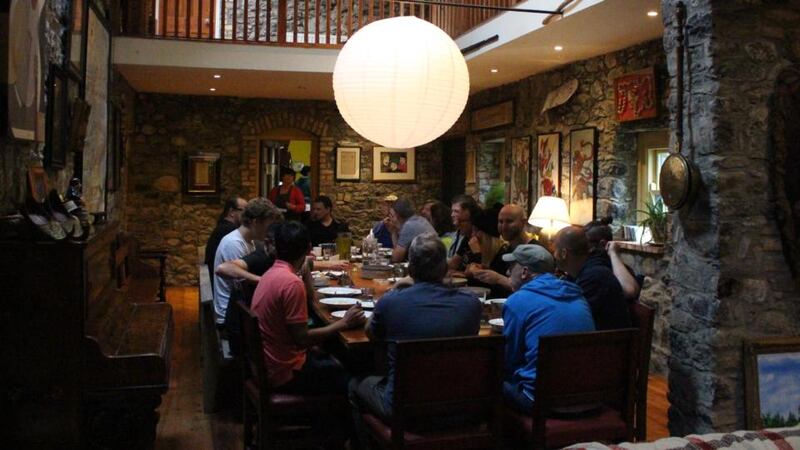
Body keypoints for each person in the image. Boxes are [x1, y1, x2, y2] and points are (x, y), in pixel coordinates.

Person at [349, 233, 482, 446]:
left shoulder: (391, 303)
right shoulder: (472, 304)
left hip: (405, 410)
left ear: (411, 268)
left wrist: (394, 290)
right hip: (462, 406)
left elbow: (370, 334)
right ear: (445, 268)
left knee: (355, 384)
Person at [250, 221, 366, 396]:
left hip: (269, 362)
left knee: (335, 353)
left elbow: (310, 301)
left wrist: (304, 273)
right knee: (349, 374)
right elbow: (302, 339)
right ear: (308, 249)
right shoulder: (291, 283)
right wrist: (344, 323)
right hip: (285, 371)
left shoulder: (272, 272)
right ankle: (331, 422)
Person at [502, 244, 595, 413]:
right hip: (588, 398)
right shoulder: (578, 295)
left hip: (541, 401)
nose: (508, 273)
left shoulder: (518, 300)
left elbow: (509, 359)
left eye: (511, 267)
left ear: (524, 272)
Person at [213, 198, 283, 326]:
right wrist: (265, 280)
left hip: (239, 310)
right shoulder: (234, 243)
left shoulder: (249, 241)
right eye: (268, 225)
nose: (269, 231)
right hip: (229, 317)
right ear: (255, 222)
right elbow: (241, 285)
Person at [553, 226, 632, 330]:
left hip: (606, 343)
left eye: (555, 250)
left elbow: (570, 316)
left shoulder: (595, 277)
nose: (553, 254)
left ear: (563, 253)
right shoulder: (579, 272)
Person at [471, 204, 540, 296]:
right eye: (500, 222)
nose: (503, 226)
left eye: (509, 221)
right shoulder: (505, 249)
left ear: (523, 222)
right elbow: (494, 273)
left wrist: (499, 279)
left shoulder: (536, 251)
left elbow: (535, 289)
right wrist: (481, 270)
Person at [584, 217, 643, 302]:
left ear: (602, 244)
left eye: (585, 243)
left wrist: (613, 253)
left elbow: (630, 290)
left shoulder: (598, 269)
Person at [205, 197, 247, 283]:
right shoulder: (229, 230)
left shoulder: (224, 226)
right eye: (244, 211)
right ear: (231, 212)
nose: (247, 215)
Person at [447, 194, 481, 271]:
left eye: (456, 211)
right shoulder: (466, 238)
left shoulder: (479, 237)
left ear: (468, 213)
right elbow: (453, 264)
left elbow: (479, 268)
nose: (452, 215)